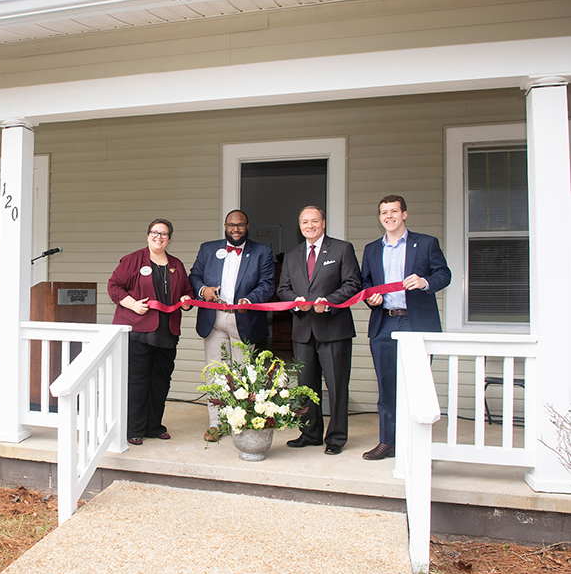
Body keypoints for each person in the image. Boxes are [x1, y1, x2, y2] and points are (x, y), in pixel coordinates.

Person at [360, 195, 451, 460]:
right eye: (384, 212)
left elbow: (444, 274)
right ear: (380, 218)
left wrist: (424, 282)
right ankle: (388, 442)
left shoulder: (425, 243)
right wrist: (370, 297)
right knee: (387, 385)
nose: (389, 216)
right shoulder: (372, 249)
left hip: (416, 321)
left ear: (404, 214)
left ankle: (415, 444)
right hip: (385, 320)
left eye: (394, 211)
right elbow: (366, 283)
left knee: (415, 386)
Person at [277, 206, 361, 455]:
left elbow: (353, 284)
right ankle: (310, 433)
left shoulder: (341, 249)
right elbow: (283, 289)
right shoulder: (292, 255)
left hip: (334, 329)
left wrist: (329, 302)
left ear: (323, 223)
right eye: (305, 222)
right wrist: (296, 301)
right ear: (299, 226)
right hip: (303, 330)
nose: (310, 225)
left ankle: (336, 437)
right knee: (306, 386)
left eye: (314, 221)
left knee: (336, 386)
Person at [189, 209, 275, 442]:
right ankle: (216, 423)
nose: (235, 229)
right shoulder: (208, 249)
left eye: (240, 225)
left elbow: (268, 285)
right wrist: (203, 290)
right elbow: (194, 275)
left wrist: (250, 300)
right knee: (217, 373)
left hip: (244, 320)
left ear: (247, 226)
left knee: (243, 374)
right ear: (225, 226)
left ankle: (240, 421)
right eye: (231, 225)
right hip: (214, 319)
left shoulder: (262, 252)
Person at [108, 218, 193, 446]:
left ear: (169, 239)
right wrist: (133, 304)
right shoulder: (133, 260)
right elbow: (114, 286)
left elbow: (187, 291)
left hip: (167, 333)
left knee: (161, 381)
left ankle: (154, 426)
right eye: (155, 233)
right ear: (148, 236)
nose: (159, 237)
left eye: (164, 234)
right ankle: (133, 428)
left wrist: (186, 300)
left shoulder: (176, 264)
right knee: (138, 381)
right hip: (139, 332)